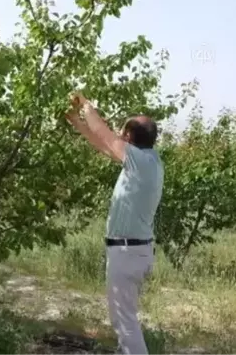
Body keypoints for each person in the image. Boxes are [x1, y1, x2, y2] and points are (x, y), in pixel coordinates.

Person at [65, 93, 164, 355]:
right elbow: (104, 145)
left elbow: (105, 135)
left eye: (123, 130)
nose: (119, 132)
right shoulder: (146, 161)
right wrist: (77, 121)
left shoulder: (139, 162)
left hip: (127, 252)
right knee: (123, 319)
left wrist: (85, 105)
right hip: (131, 250)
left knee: (125, 322)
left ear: (129, 138)